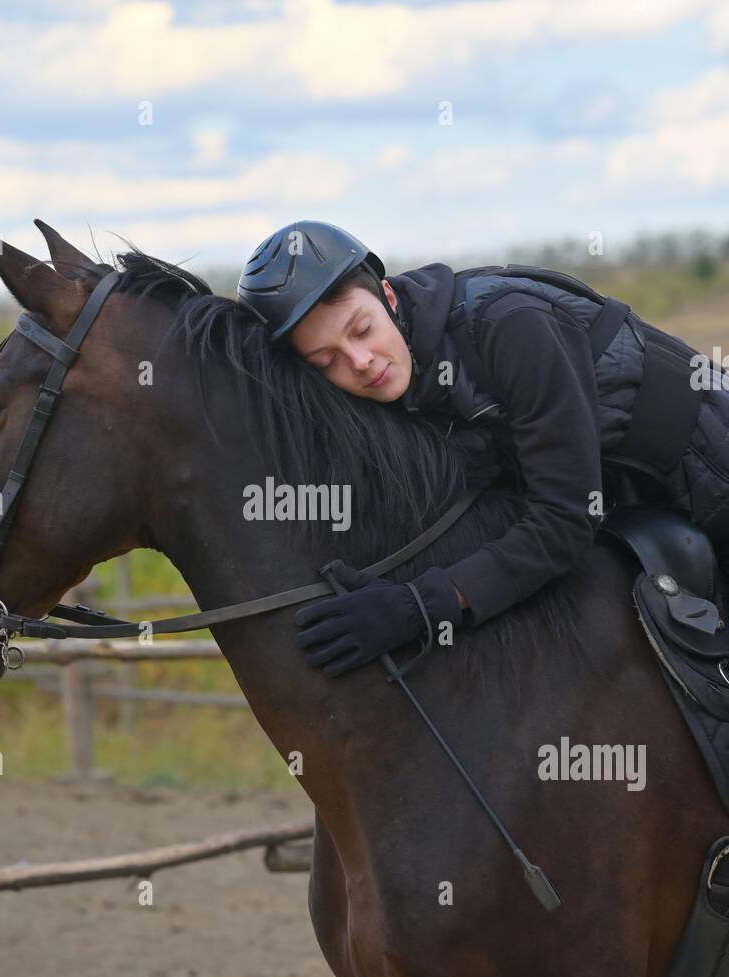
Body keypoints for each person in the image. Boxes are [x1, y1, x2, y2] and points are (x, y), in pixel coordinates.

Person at [236, 220, 729, 678]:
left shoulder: (509, 325)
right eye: (328, 361)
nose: (361, 363)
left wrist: (422, 607)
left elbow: (565, 516)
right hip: (639, 502)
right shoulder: (392, 380)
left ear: (388, 295)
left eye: (362, 330)